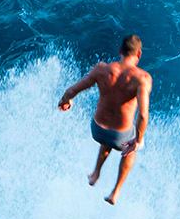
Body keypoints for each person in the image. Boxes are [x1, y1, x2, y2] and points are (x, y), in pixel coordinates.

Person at [57, 34, 153, 205]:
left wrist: (65, 101)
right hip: (120, 136)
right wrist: (137, 140)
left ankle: (95, 174)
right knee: (130, 149)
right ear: (138, 54)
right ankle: (115, 192)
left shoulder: (101, 69)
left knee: (107, 137)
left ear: (120, 51)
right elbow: (143, 115)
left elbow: (71, 91)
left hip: (97, 130)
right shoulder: (141, 79)